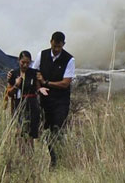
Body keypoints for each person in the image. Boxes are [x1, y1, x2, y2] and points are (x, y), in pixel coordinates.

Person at [32, 31, 75, 167]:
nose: (56, 49)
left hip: (61, 101)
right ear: (51, 42)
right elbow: (35, 72)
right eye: (54, 46)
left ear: (63, 45)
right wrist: (39, 88)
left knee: (57, 128)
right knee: (47, 129)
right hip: (46, 100)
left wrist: (46, 83)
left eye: (59, 47)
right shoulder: (42, 55)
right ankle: (52, 159)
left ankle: (58, 160)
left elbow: (65, 83)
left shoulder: (69, 59)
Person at [6, 51, 44, 148]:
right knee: (20, 131)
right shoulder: (13, 74)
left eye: (28, 62)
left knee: (30, 133)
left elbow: (38, 87)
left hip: (32, 104)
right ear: (19, 61)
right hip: (18, 104)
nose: (25, 65)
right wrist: (16, 85)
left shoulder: (34, 73)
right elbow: (9, 93)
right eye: (23, 62)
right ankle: (20, 153)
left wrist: (41, 88)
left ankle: (30, 155)